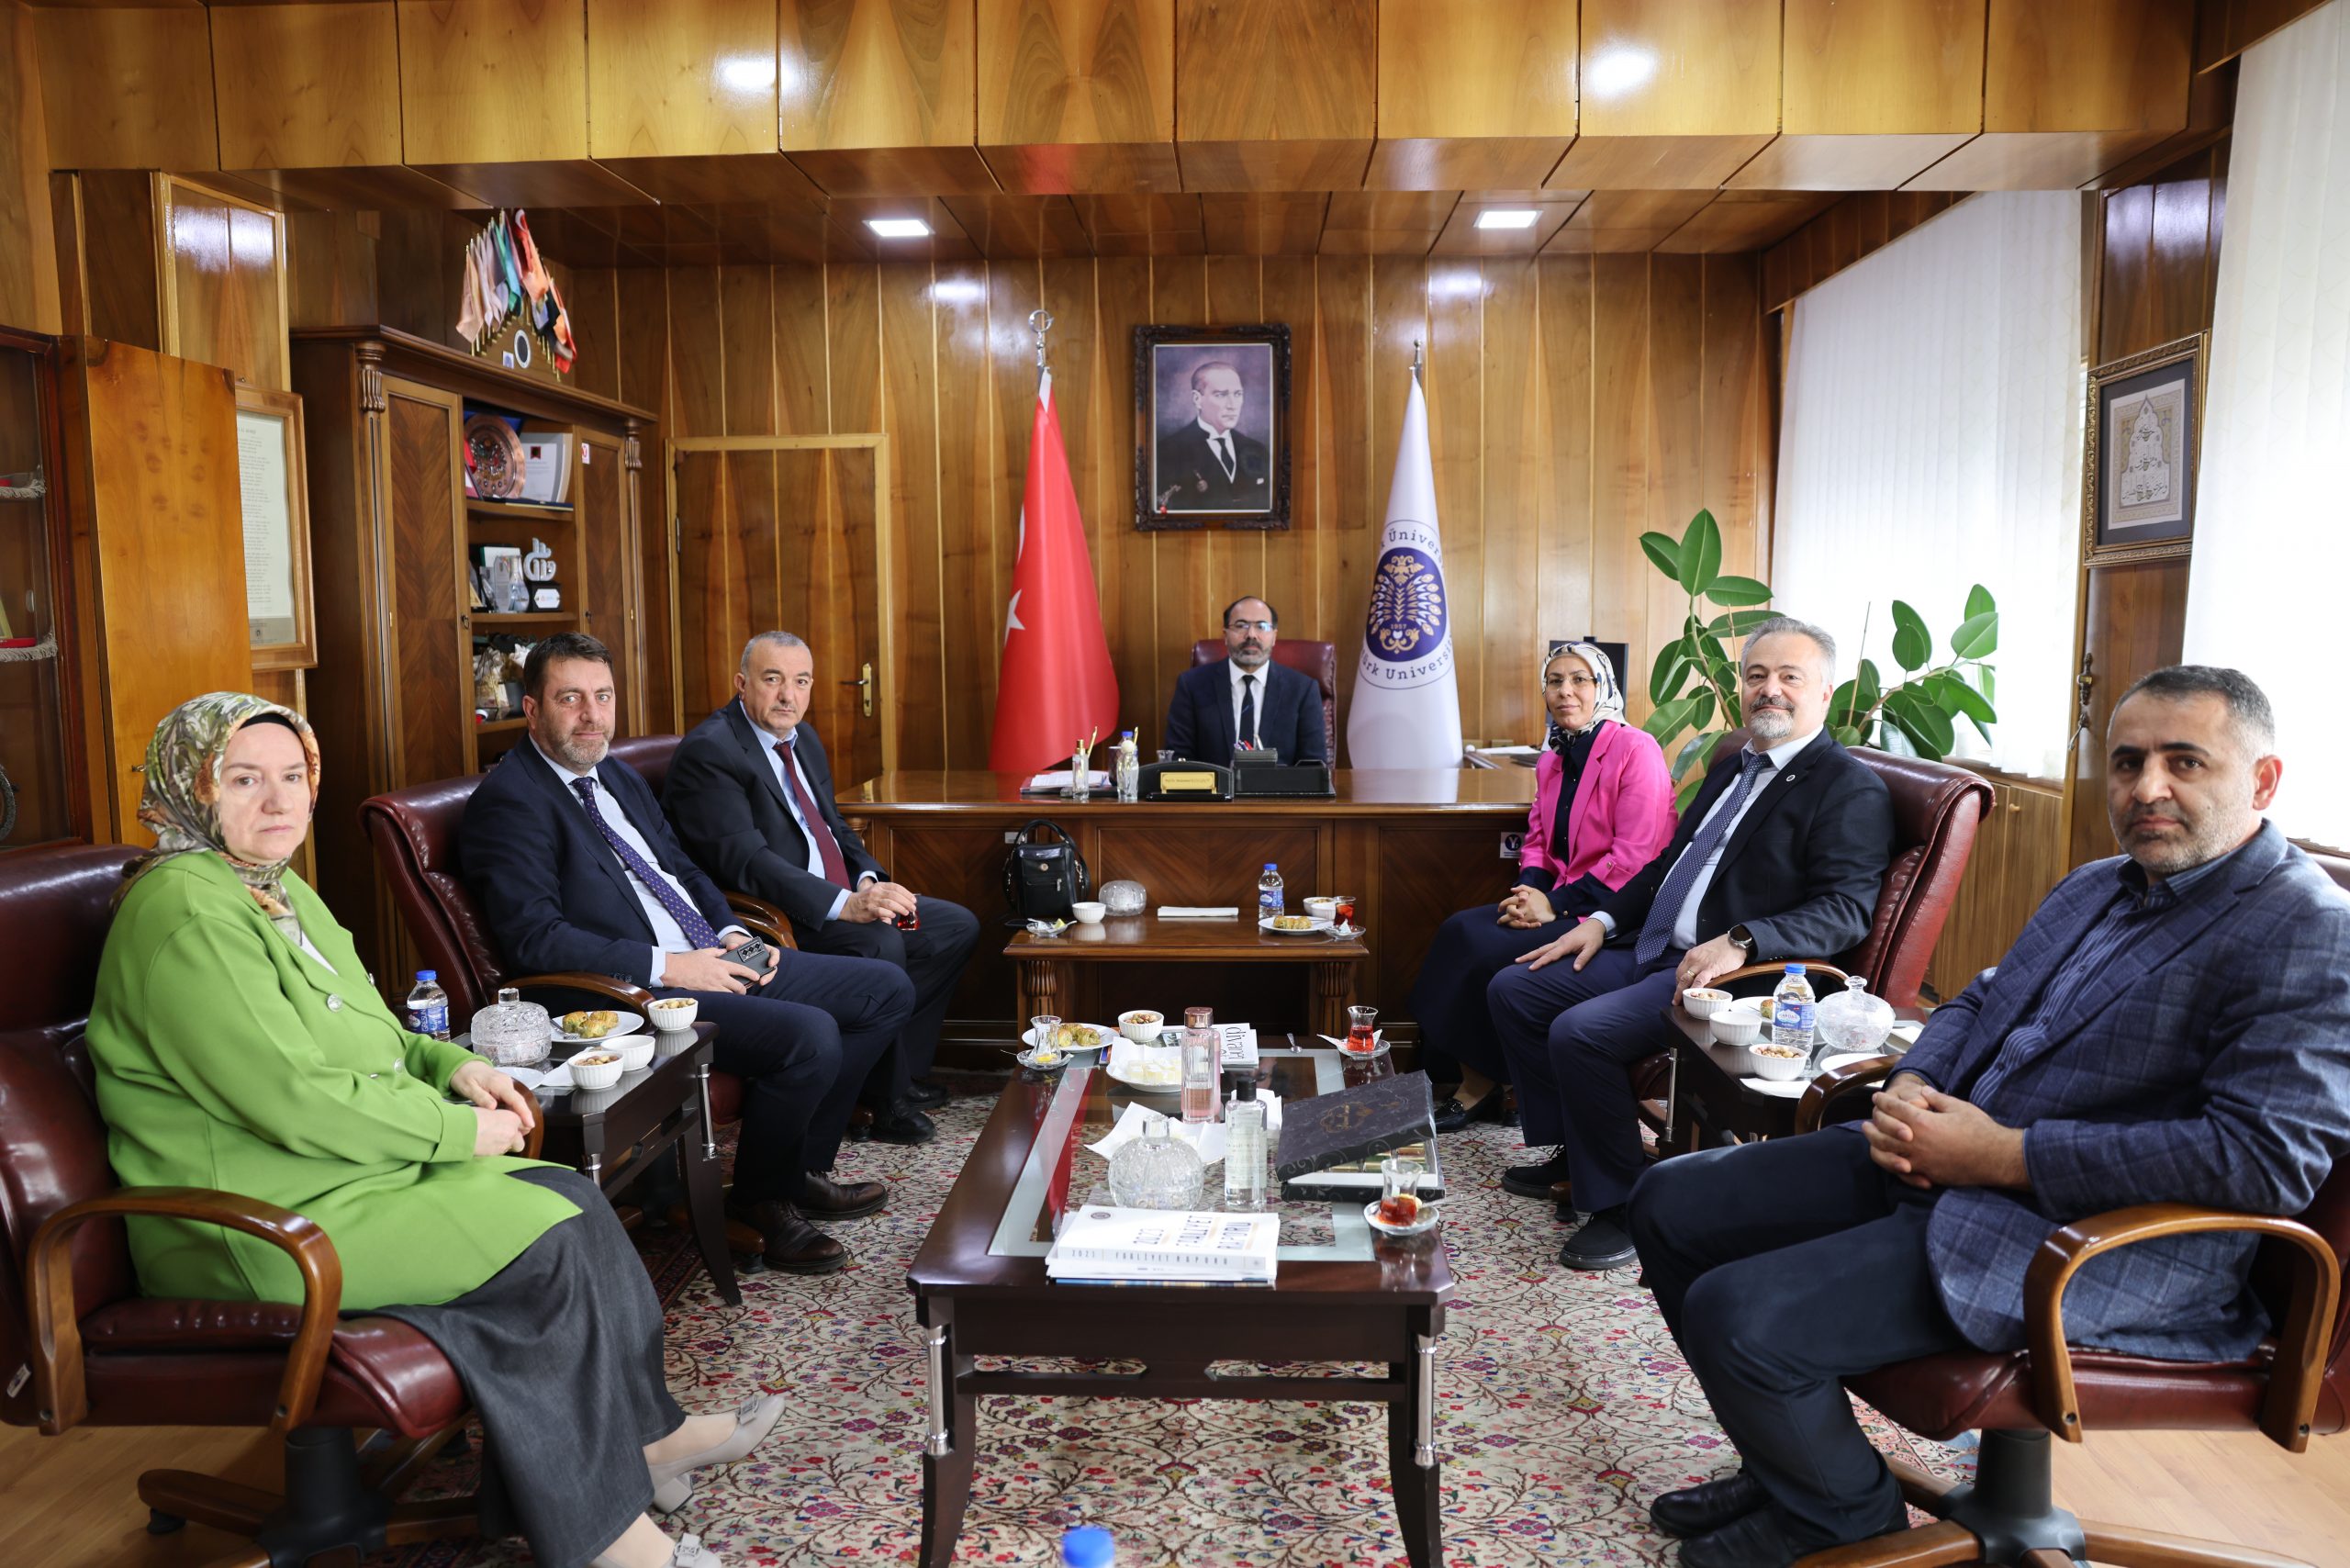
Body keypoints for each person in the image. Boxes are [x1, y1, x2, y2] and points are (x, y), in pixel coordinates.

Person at [1626, 665, 2350, 1567]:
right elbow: (1980, 999)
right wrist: (1910, 1083)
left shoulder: (2307, 928)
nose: (2146, 788)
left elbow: (2261, 1161)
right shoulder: (2098, 884)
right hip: (1948, 1163)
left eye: (2185, 762)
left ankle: (1837, 1522)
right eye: (2127, 762)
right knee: (1670, 1200)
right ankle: (1789, 1466)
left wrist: (2003, 1155)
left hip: (2096, 1239)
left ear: (2263, 781)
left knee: (1740, 1315)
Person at [87, 692, 765, 1568]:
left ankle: (647, 1440)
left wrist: (453, 1068)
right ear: (194, 787)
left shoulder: (271, 886)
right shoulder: (185, 907)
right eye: (245, 780)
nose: (279, 801)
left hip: (345, 1179)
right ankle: (604, 1537)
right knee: (550, 1242)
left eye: (293, 777)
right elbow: (299, 1098)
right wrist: (456, 1132)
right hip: (258, 1221)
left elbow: (372, 1030)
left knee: (568, 1197)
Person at [463, 633, 917, 1277]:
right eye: (570, 699)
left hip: (708, 953)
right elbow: (535, 939)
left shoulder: (614, 774)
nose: (592, 715)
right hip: (633, 991)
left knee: (884, 990)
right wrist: (673, 966)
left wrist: (729, 934)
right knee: (810, 1034)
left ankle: (796, 1171)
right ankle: (763, 1201)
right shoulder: (511, 802)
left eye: (603, 697)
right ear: (532, 709)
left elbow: (682, 869)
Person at [1487, 617, 1895, 1270]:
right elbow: (1665, 868)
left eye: (1789, 677)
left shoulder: (1848, 788)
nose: (1769, 689)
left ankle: (1623, 1205)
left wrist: (1743, 940)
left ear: (1825, 692)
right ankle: (1578, 1154)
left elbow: (1844, 912)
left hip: (1731, 975)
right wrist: (1601, 923)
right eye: (1756, 675)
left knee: (1580, 1032)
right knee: (1516, 989)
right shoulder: (1734, 765)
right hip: (1654, 946)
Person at [664, 632, 980, 1113]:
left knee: (954, 928)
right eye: (773, 679)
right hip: (780, 913)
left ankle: (893, 1074)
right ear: (742, 684)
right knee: (881, 942)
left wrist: (868, 881)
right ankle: (885, 1100)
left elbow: (833, 828)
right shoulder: (711, 751)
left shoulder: (802, 739)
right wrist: (845, 905)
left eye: (801, 681)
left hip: (838, 894)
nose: (788, 696)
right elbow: (747, 862)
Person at [1414, 644, 1678, 1133]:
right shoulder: (1554, 755)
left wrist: (1553, 905)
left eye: (1579, 680)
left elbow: (1636, 856)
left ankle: (1481, 1086)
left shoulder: (1636, 749)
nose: (1565, 691)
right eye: (1554, 681)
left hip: (1616, 913)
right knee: (1458, 931)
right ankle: (1480, 1078)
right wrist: (1527, 895)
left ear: (1603, 687)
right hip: (1561, 901)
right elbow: (1536, 840)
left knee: (1486, 949)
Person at [1163, 596, 1327, 765]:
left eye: (1261, 626)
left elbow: (1313, 765)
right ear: (1226, 635)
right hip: (1214, 782)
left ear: (1274, 637)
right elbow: (1179, 760)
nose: (1251, 635)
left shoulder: (1302, 690)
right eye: (1241, 625)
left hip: (1280, 783)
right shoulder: (1192, 685)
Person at [1154, 359, 1270, 512]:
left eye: (1238, 394)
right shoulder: (1167, 452)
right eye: (1221, 395)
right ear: (1197, 399)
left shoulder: (1256, 449)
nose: (1232, 405)